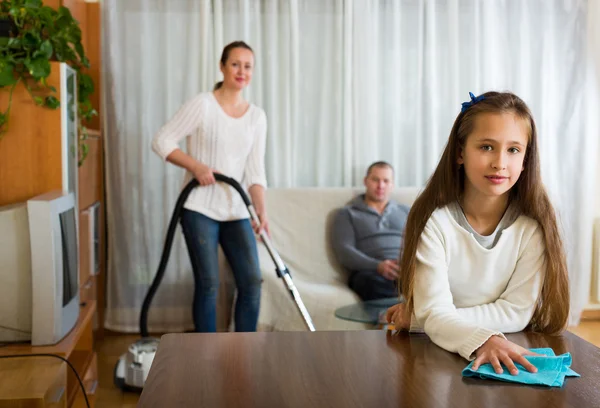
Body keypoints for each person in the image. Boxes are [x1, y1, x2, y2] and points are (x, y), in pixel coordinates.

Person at [385, 91, 570, 376]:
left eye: (513, 150)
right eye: (486, 147)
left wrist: (426, 318)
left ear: (525, 159)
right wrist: (474, 332)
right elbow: (436, 311)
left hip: (492, 349)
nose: (499, 162)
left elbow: (516, 313)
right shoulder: (435, 223)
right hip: (434, 359)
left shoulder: (532, 229)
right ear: (460, 153)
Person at [152, 41, 268, 333]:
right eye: (235, 64)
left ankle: (246, 353)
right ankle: (205, 355)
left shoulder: (256, 117)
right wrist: (196, 167)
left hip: (236, 210)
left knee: (252, 281)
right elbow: (162, 140)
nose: (241, 71)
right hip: (199, 208)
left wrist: (261, 212)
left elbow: (255, 172)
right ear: (222, 66)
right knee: (209, 284)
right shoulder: (203, 104)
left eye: (248, 66)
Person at [331, 162, 410, 301]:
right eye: (375, 180)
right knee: (367, 282)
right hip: (372, 272)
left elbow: (423, 242)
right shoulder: (347, 213)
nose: (381, 186)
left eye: (386, 181)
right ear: (366, 181)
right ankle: (392, 318)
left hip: (407, 270)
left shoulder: (406, 211)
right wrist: (378, 266)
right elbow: (345, 251)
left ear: (392, 185)